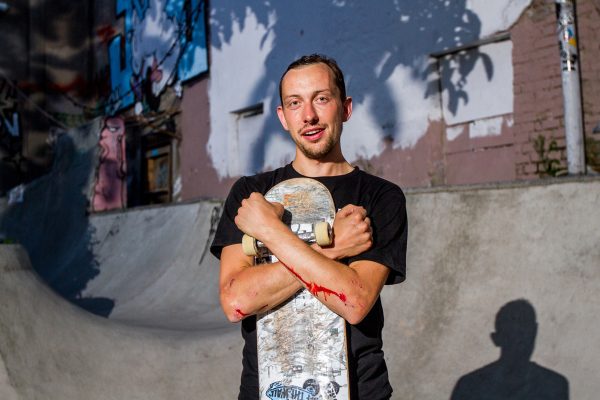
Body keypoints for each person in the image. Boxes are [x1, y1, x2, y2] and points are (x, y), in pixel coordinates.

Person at [210, 53, 407, 400]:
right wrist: (331, 247)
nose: (309, 116)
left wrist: (271, 232)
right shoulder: (251, 195)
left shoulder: (380, 197)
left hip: (361, 390)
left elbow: (355, 302)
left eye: (321, 98)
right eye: (295, 103)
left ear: (345, 108)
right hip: (266, 391)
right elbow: (236, 300)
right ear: (283, 118)